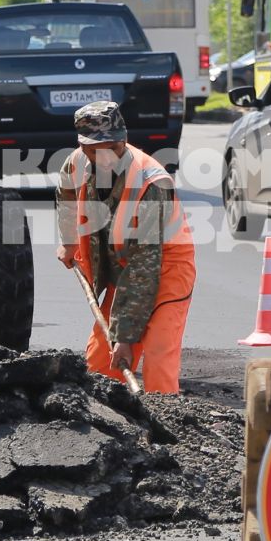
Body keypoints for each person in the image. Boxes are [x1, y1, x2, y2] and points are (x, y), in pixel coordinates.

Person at [55, 101, 195, 395]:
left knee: (158, 352)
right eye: (95, 149)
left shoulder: (151, 184)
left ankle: (166, 426)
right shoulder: (76, 162)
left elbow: (143, 268)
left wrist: (126, 338)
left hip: (166, 267)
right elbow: (65, 191)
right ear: (82, 147)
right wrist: (68, 242)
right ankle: (110, 427)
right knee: (99, 363)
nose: (105, 157)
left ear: (124, 140)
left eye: (113, 147)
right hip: (125, 268)